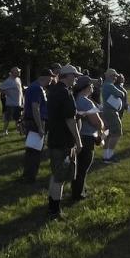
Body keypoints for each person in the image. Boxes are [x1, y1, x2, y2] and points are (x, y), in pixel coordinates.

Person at [46, 64, 83, 220]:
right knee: (60, 177)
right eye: (74, 76)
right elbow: (70, 120)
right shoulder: (65, 93)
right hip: (63, 140)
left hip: (54, 137)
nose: (76, 79)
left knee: (55, 174)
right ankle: (55, 211)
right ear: (67, 76)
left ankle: (51, 205)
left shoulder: (53, 90)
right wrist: (78, 141)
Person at [71, 76, 105, 201]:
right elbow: (96, 122)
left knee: (78, 166)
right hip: (87, 136)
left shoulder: (74, 98)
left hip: (77, 136)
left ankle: (80, 189)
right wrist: (102, 125)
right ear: (85, 87)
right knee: (83, 167)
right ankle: (78, 194)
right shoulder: (86, 102)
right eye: (91, 85)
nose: (93, 88)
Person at [22, 68, 55, 183]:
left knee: (32, 150)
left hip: (34, 122)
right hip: (36, 122)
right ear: (45, 77)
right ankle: (30, 177)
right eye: (51, 77)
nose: (52, 79)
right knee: (35, 151)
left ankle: (27, 175)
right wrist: (40, 127)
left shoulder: (37, 87)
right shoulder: (36, 88)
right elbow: (35, 108)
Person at [102, 67, 125, 164]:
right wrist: (121, 86)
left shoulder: (106, 85)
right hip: (111, 111)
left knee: (109, 134)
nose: (116, 78)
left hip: (107, 111)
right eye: (115, 76)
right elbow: (121, 94)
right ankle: (109, 156)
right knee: (117, 132)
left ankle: (105, 156)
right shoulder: (110, 85)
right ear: (111, 76)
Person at [0, 67, 24, 135]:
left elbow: (20, 91)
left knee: (18, 118)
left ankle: (19, 131)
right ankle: (5, 131)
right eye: (17, 71)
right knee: (7, 119)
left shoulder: (18, 79)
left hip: (18, 103)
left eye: (19, 71)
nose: (19, 72)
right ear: (13, 72)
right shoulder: (8, 81)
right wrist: (7, 93)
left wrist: (22, 100)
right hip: (11, 104)